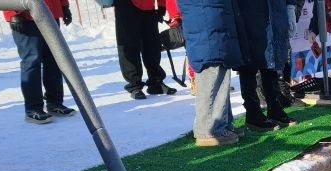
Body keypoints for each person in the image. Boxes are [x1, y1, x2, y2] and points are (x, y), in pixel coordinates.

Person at [181, 0, 266, 146]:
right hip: (207, 21)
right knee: (212, 74)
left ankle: (223, 124)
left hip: (216, 19)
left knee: (221, 74)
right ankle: (208, 130)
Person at [5, 0, 76, 124]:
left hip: (50, 12)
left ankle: (54, 103)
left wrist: (64, 5)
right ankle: (33, 108)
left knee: (54, 59)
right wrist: (11, 12)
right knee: (32, 61)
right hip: (25, 15)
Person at [238, 0, 297, 131]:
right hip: (249, 11)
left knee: (271, 60)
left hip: (274, 10)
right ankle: (253, 112)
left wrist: (290, 7)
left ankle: (274, 107)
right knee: (250, 62)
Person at [114, 0, 175, 100]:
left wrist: (161, 5)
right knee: (129, 45)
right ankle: (134, 85)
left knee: (152, 45)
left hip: (149, 6)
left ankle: (156, 83)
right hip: (126, 5)